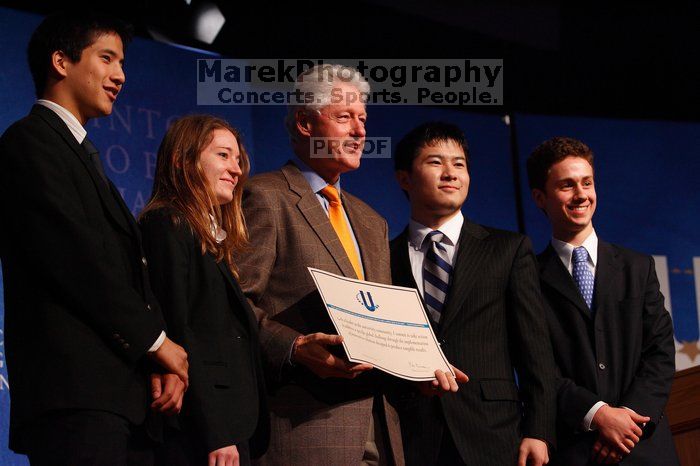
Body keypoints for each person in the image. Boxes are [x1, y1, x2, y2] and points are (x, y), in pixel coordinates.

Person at [0, 12, 188, 465]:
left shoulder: (79, 152)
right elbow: (76, 260)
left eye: (121, 62)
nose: (120, 75)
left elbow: (127, 271)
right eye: (107, 58)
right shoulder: (29, 142)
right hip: (74, 400)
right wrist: (157, 343)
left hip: (122, 399)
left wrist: (155, 361)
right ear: (61, 61)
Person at [236, 64, 404, 465]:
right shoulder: (265, 196)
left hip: (381, 429)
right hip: (306, 427)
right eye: (345, 117)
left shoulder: (372, 220)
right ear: (305, 124)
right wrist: (293, 348)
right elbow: (234, 303)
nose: (360, 131)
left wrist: (420, 367)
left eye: (363, 119)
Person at [389, 121, 556, 466]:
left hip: (494, 433)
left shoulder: (507, 249)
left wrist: (538, 431)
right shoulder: (381, 255)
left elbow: (535, 349)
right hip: (409, 434)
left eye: (459, 164)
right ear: (404, 178)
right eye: (435, 162)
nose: (450, 173)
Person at [527, 137, 679, 466]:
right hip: (578, 451)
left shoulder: (638, 266)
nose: (581, 194)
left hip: (645, 446)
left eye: (587, 182)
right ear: (540, 197)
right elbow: (536, 367)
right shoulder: (528, 279)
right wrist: (598, 416)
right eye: (567, 185)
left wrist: (626, 420)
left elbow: (661, 351)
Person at [139, 115, 269, 466]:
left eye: (238, 160)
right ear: (183, 160)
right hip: (199, 432)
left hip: (229, 424)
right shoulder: (168, 223)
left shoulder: (209, 237)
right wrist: (215, 431)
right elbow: (180, 330)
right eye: (224, 156)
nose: (236, 169)